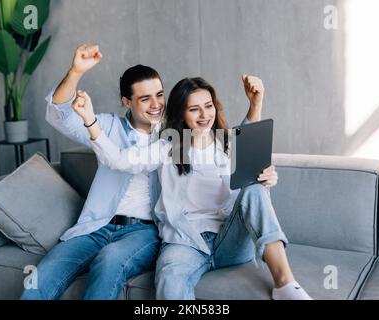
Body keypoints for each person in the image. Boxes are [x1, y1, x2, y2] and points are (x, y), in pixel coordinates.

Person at [73, 74, 312, 300]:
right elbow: (120, 161)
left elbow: (252, 185)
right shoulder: (168, 145)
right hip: (185, 242)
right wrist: (90, 121)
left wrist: (264, 179)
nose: (204, 115)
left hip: (230, 241)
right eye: (194, 109)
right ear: (181, 114)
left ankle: (285, 284)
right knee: (169, 278)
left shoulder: (228, 142)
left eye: (208, 106)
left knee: (255, 188)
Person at [21, 44, 166, 299]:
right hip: (96, 227)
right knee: (40, 278)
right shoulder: (108, 126)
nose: (156, 105)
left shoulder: (172, 136)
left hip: (144, 232)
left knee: (110, 260)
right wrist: (76, 72)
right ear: (126, 101)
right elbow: (60, 116)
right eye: (145, 98)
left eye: (159, 95)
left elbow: (217, 148)